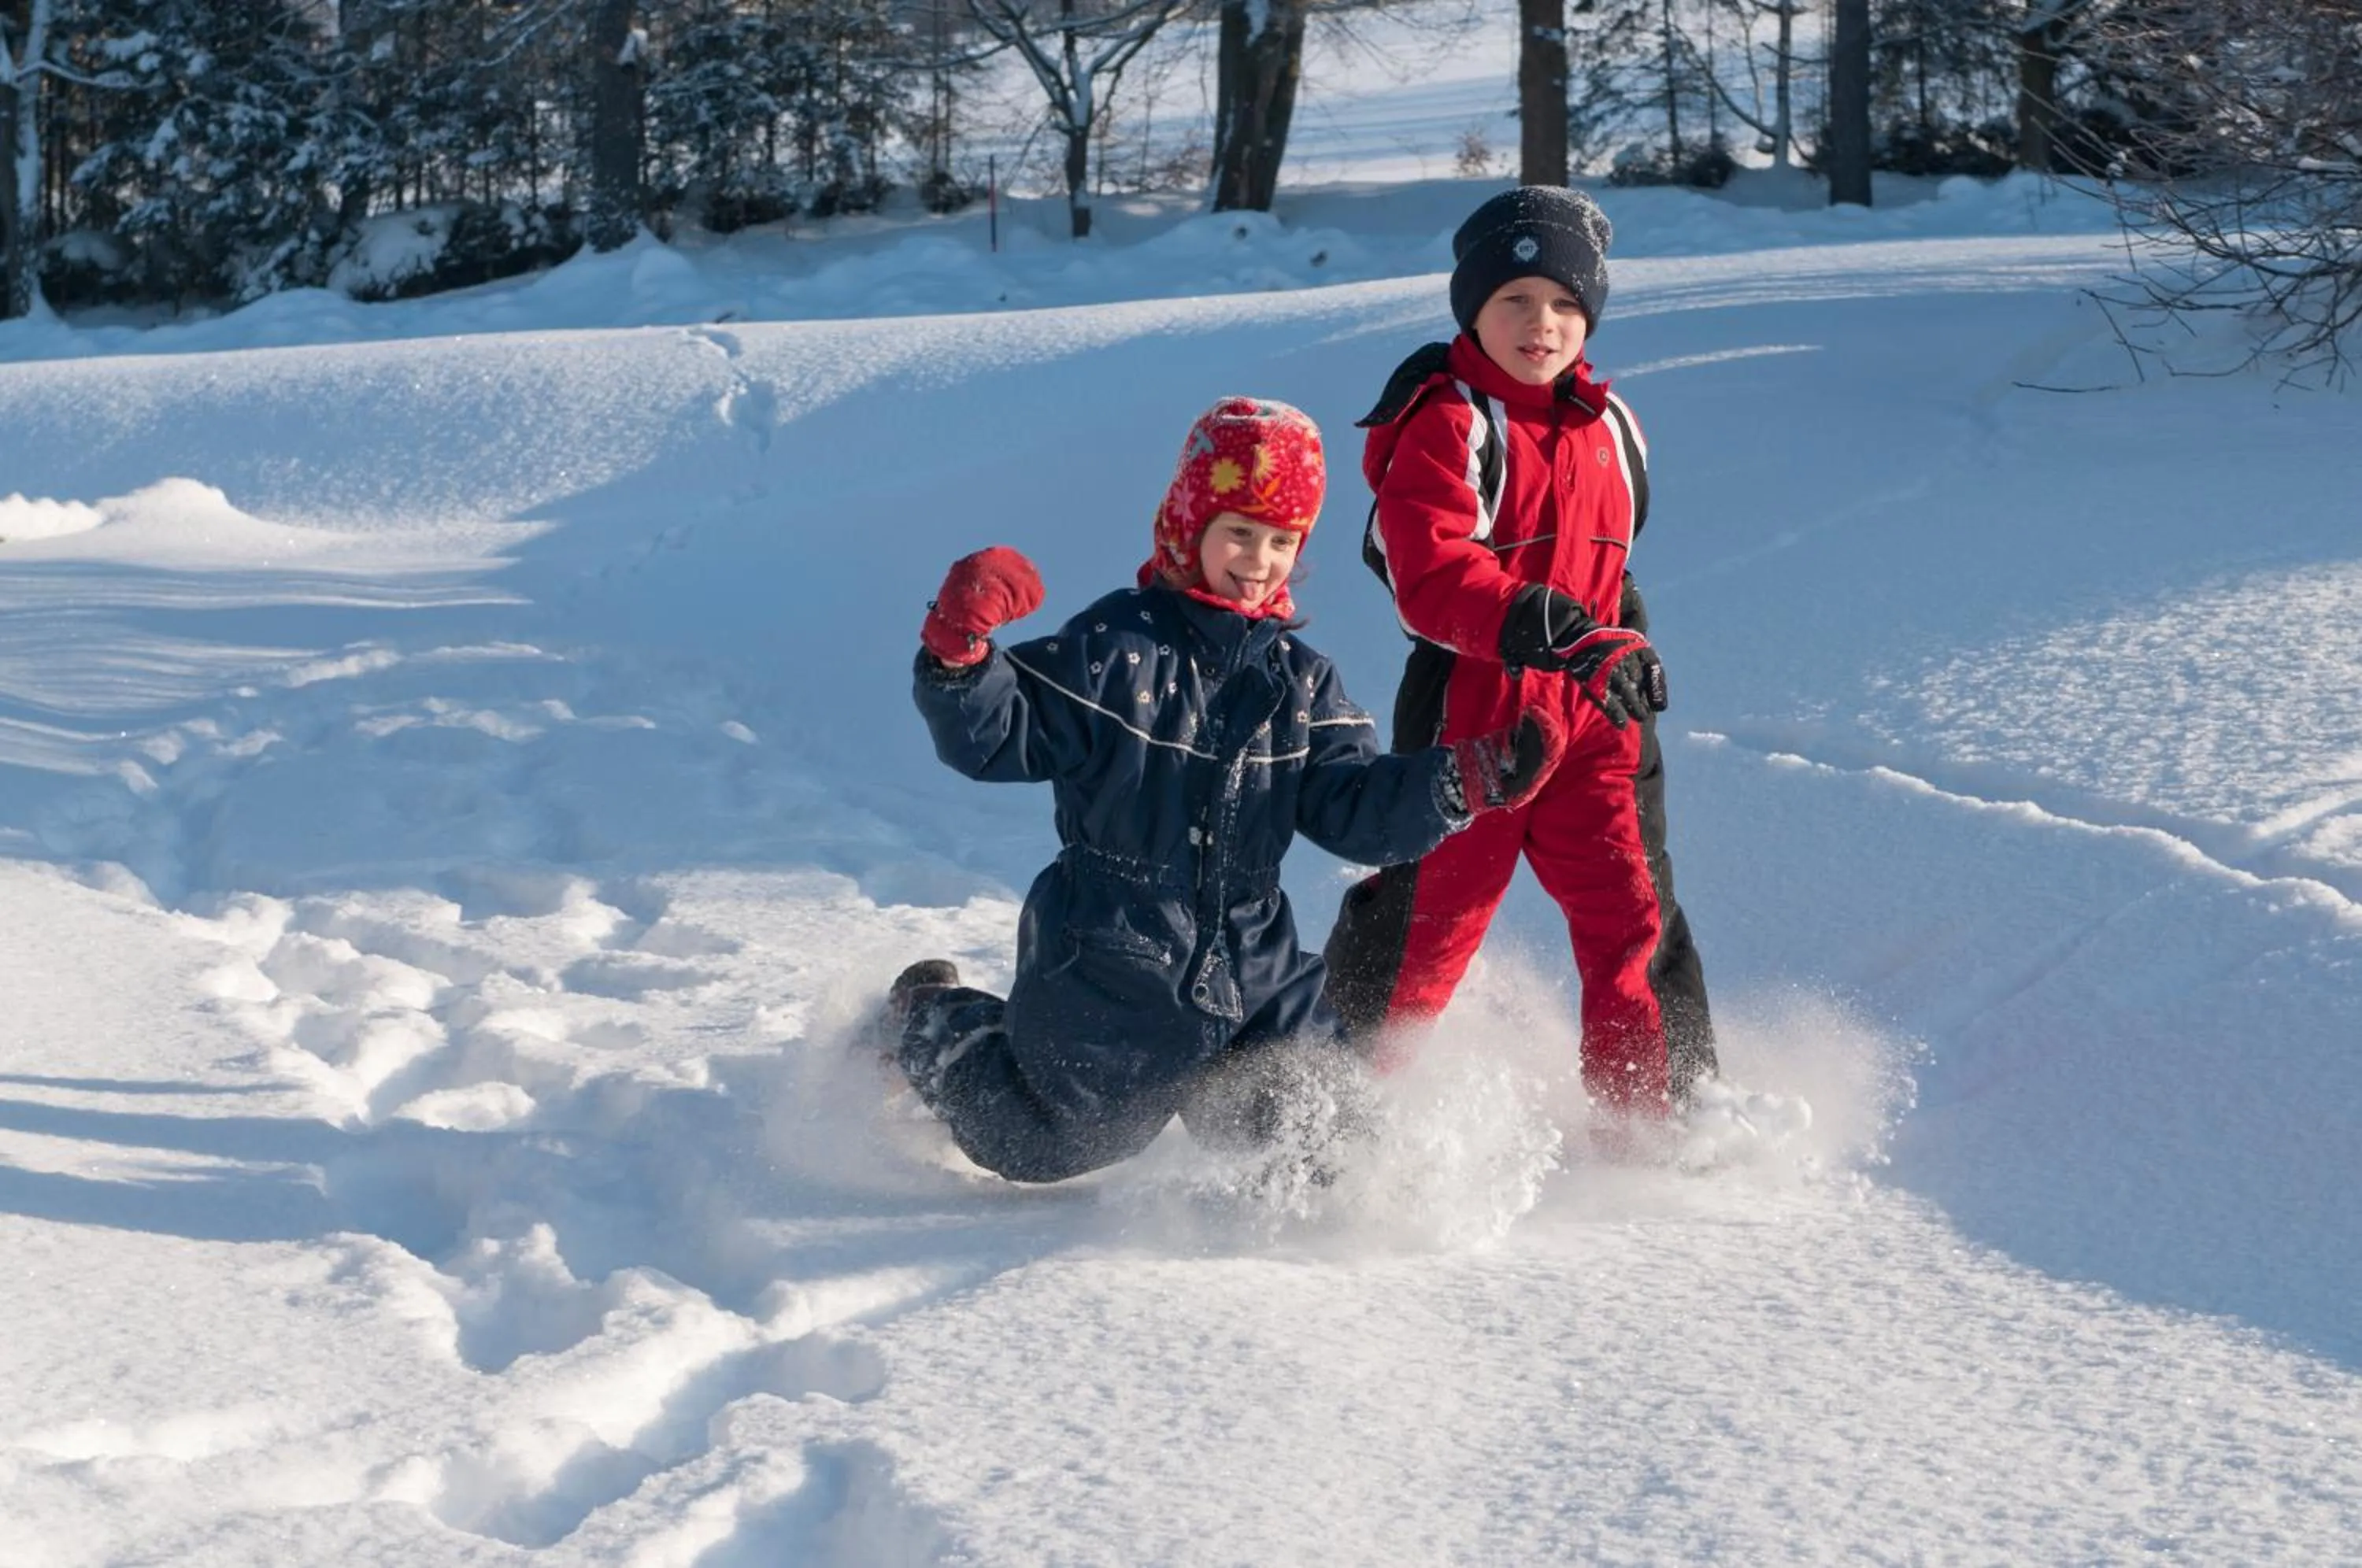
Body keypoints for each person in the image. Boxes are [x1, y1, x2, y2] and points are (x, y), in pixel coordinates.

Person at [890, 397, 1566, 1183]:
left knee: (1331, 1136)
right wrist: (958, 656)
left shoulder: (1302, 684)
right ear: (1189, 526)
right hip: (1108, 958)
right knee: (1040, 1141)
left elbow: (1352, 807)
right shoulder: (1116, 651)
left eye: (1282, 541)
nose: (1258, 559)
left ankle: (1280, 1144)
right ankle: (929, 1020)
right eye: (1239, 532)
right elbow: (997, 735)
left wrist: (1459, 782)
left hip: (1253, 967)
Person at [1320, 185, 1720, 1116]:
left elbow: (1611, 563)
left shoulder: (1613, 425)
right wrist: (1565, 634)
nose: (1542, 324)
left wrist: (1621, 639)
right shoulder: (1449, 417)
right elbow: (1430, 576)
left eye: (1566, 304)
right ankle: (1328, 1108)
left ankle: (1666, 1119)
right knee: (1431, 920)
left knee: (1635, 916)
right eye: (1516, 301)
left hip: (1600, 717)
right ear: (1473, 307)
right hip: (1475, 705)